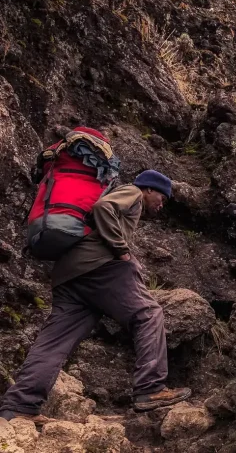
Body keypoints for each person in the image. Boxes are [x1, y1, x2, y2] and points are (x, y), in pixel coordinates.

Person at [0, 170, 191, 421]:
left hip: (69, 276)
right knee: (149, 313)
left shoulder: (128, 198)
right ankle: (150, 388)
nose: (161, 204)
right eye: (162, 197)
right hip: (100, 268)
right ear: (150, 189)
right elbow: (103, 207)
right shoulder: (132, 192)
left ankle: (19, 407)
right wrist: (122, 251)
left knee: (53, 344)